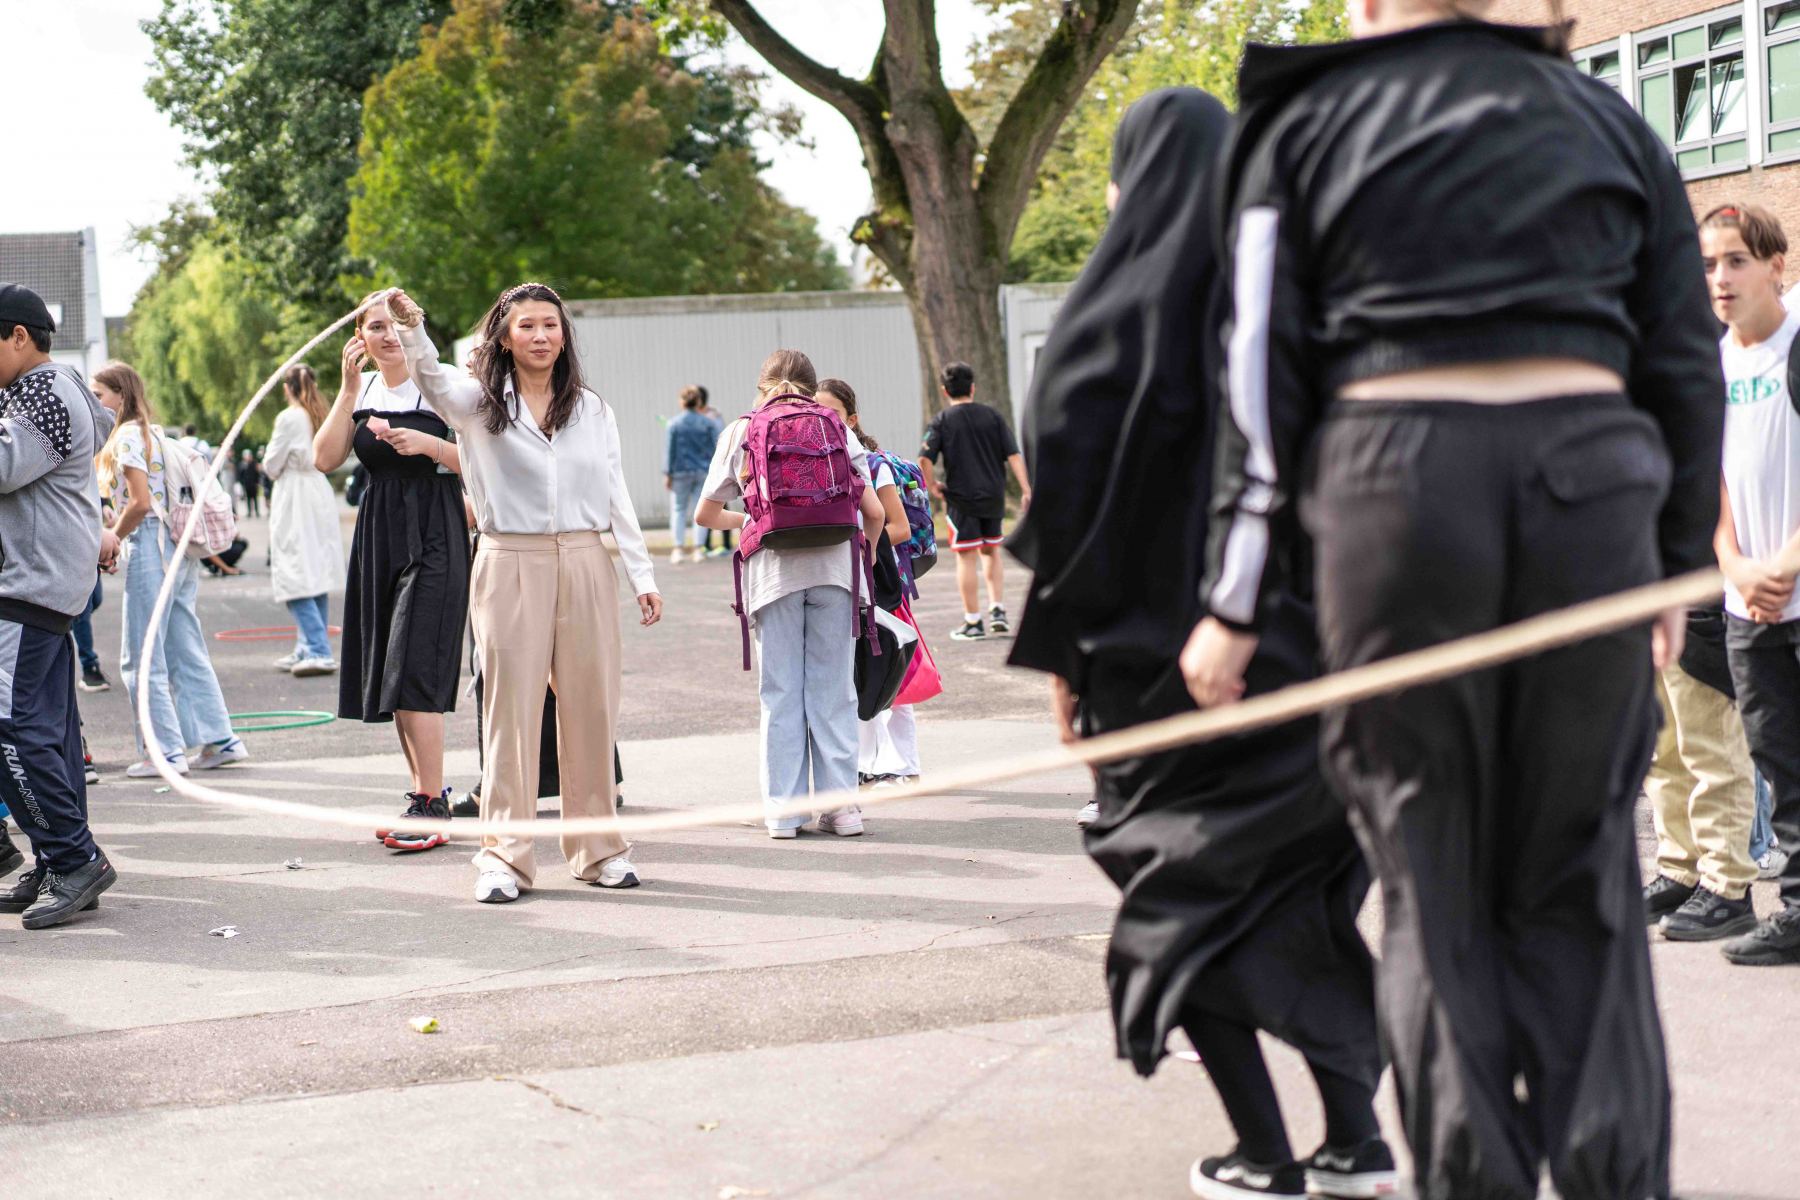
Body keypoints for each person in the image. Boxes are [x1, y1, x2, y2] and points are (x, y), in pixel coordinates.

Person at [1182, 10, 1723, 1199]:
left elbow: (1259, 375)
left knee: (1431, 878)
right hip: (1591, 485)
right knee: (1583, 867)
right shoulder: (1609, 120)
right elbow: (1684, 355)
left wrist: (1234, 600)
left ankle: (1473, 1180)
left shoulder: (1306, 123)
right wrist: (1678, 560)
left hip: (1399, 487)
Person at [1007, 91, 1392, 1200]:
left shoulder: (1093, 331)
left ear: (1125, 184)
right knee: (1301, 898)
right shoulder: (1293, 319)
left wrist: (1064, 673)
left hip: (1149, 685)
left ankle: (1264, 1153)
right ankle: (1355, 1141)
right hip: (1305, 674)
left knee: (1184, 906)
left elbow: (1067, 530)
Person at [387, 282, 660, 903]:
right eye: (527, 326)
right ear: (505, 338)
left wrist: (641, 575)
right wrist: (411, 325)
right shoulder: (476, 402)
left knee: (591, 708)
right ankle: (504, 857)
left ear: (564, 336)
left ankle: (599, 849)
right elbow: (429, 375)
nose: (541, 336)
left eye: (551, 325)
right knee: (510, 711)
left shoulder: (592, 409)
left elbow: (616, 491)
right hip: (509, 557)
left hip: (586, 558)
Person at [695, 350, 886, 839]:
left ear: (761, 387)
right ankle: (843, 810)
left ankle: (784, 812)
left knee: (780, 694)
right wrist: (866, 562)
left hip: (772, 576)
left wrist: (753, 519)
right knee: (833, 691)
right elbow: (874, 512)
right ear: (812, 385)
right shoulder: (835, 426)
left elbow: (705, 514)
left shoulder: (741, 430)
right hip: (834, 571)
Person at [314, 292, 470, 852]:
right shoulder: (363, 391)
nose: (388, 336)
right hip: (380, 536)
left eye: (396, 325)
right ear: (359, 336)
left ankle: (431, 807)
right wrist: (347, 391)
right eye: (375, 327)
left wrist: (430, 446)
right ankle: (424, 795)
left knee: (414, 662)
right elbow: (324, 458)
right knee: (392, 669)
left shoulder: (444, 384)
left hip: (435, 531)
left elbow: (488, 458)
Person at [0, 283, 121, 929]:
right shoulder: (45, 389)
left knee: (14, 728)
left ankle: (75, 859)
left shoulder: (44, 390)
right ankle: (58, 859)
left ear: (19, 336)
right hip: (42, 582)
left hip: (30, 585)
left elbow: (3, 466)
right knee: (47, 730)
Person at [1705, 202, 1800, 966]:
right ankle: (1798, 910)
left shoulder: (1794, 346)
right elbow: (1716, 486)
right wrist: (1737, 566)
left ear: (1776, 265)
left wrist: (1785, 563)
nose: (1721, 278)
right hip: (1749, 604)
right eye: (1709, 264)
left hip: (1793, 588)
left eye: (1736, 260)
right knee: (1782, 768)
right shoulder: (1712, 365)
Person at [94, 362, 248, 780]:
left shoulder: (125, 437)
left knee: (141, 654)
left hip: (150, 543)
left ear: (120, 396)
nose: (94, 402)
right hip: (178, 545)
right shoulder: (154, 434)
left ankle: (163, 752)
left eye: (99, 395)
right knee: (183, 645)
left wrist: (113, 538)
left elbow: (140, 503)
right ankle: (219, 738)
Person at [817, 378, 926, 789]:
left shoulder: (874, 465)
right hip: (849, 581)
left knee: (890, 669)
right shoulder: (822, 464)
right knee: (860, 672)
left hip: (881, 581)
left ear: (852, 419)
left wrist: (858, 542)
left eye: (833, 413)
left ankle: (905, 764)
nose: (825, 421)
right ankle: (868, 762)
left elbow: (899, 527)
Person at [1640, 596, 1759, 940]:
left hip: (1704, 604)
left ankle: (1727, 886)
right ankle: (1682, 871)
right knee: (1665, 756)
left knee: (1713, 755)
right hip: (1653, 602)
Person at [917, 362, 1030, 641]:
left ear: (944, 391)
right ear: (973, 388)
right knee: (991, 551)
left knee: (966, 557)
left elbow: (924, 459)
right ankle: (998, 610)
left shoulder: (941, 421)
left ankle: (973, 621)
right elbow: (1013, 455)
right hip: (993, 496)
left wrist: (932, 486)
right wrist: (1026, 488)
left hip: (961, 500)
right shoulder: (993, 416)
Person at [265, 365, 343, 676]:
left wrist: (273, 466)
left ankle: (317, 648)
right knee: (314, 572)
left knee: (294, 571)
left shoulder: (289, 418)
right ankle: (306, 645)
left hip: (295, 494)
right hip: (318, 491)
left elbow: (272, 464)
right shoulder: (321, 414)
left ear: (288, 388)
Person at [664, 384, 719, 564]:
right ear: (699, 402)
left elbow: (670, 452)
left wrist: (667, 474)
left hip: (680, 472)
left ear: (682, 402)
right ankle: (698, 550)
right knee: (699, 510)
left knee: (678, 509)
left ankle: (678, 549)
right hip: (703, 472)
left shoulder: (673, 424)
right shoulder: (709, 423)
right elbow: (717, 448)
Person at [694, 388, 734, 558]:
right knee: (709, 506)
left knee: (718, 504)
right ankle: (707, 545)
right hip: (703, 467)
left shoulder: (713, 418)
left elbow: (720, 442)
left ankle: (725, 544)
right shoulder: (698, 417)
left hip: (714, 467)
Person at [71, 573, 108, 692]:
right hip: (74, 565)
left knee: (96, 599)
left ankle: (59, 624)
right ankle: (89, 667)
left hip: (91, 563)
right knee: (82, 610)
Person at [236, 448, 263, 518]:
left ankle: (257, 511)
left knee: (255, 498)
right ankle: (249, 512)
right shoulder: (242, 464)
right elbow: (240, 475)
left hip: (254, 483)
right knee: (248, 499)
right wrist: (242, 483)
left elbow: (257, 474)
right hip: (246, 484)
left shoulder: (254, 463)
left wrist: (258, 482)